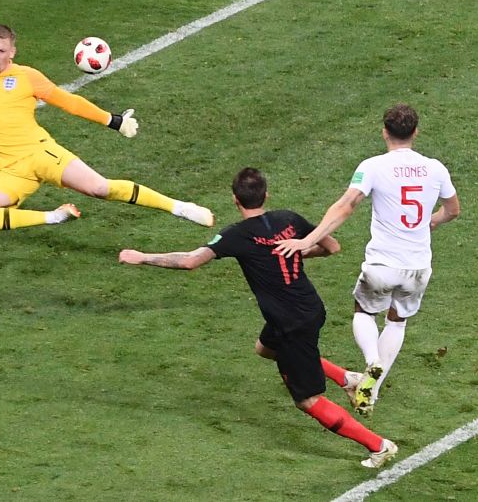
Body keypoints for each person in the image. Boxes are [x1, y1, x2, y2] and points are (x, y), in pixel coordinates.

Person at [118, 167, 398, 469]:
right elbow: (332, 246)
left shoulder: (235, 235)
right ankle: (348, 378)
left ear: (235, 199)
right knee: (265, 349)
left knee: (309, 400)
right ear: (266, 195)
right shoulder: (288, 219)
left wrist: (143, 257)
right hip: (309, 308)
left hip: (292, 324)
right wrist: (289, 255)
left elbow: (189, 261)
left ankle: (379, 445)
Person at [0, 25, 213, 231]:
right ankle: (52, 216)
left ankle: (180, 208)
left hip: (41, 154)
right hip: (9, 172)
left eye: (2, 51)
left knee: (100, 188)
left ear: (12, 52)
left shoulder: (27, 76)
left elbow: (67, 101)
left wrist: (114, 121)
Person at [274, 103, 460, 415]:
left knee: (363, 312)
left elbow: (346, 205)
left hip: (382, 264)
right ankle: (370, 392)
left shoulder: (373, 166)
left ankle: (372, 360)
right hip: (417, 266)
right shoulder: (436, 168)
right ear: (415, 132)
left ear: (384, 132)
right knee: (397, 322)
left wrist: (308, 239)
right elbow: (453, 210)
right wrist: (434, 221)